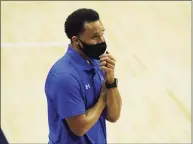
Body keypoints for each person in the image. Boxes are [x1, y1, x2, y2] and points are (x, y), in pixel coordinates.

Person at [44, 8, 122, 144]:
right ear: (76, 40)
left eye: (102, 34)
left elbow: (113, 116)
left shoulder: (98, 63)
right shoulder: (64, 77)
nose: (102, 41)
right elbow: (80, 127)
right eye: (95, 37)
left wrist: (110, 81)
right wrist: (103, 99)